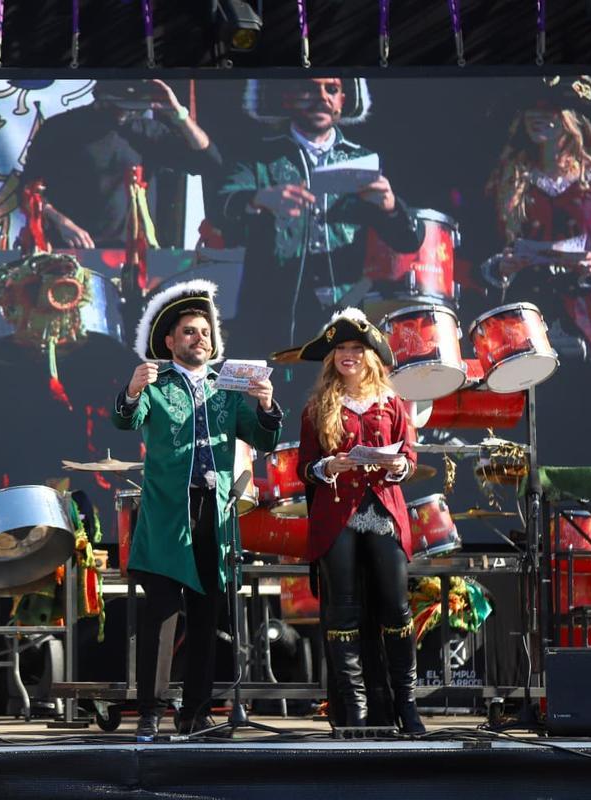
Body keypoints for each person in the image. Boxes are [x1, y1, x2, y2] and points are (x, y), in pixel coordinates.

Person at [112, 279, 283, 740]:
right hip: (170, 512)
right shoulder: (156, 381)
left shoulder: (225, 387)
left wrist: (266, 403)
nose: (199, 338)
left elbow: (262, 438)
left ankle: (197, 712)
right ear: (170, 341)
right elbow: (127, 419)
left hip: (216, 513)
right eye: (189, 331)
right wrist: (131, 391)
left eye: (204, 331)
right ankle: (150, 712)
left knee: (208, 614)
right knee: (163, 614)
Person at [217, 78, 422, 356]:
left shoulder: (363, 159)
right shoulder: (258, 155)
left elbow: (409, 241)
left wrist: (390, 206)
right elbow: (221, 207)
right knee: (269, 396)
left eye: (332, 89)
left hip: (342, 317)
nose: (322, 97)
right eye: (309, 89)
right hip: (269, 315)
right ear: (287, 97)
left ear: (342, 102)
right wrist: (259, 198)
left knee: (333, 396)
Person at [293, 307, 425, 734]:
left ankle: (406, 707)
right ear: (331, 358)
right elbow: (305, 467)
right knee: (343, 613)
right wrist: (328, 467)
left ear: (370, 355)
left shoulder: (394, 402)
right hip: (337, 516)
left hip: (383, 510)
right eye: (341, 349)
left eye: (356, 348)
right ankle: (355, 711)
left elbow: (408, 456)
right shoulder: (318, 407)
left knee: (396, 607)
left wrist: (399, 467)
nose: (348, 355)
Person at [483, 75, 591, 369]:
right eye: (531, 109)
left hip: (590, 323)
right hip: (523, 322)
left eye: (548, 109)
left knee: (589, 408)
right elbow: (478, 251)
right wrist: (500, 267)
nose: (536, 117)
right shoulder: (505, 180)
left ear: (570, 119)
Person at [21, 78, 221, 249]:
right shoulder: (61, 128)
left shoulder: (145, 131)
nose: (126, 113)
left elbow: (208, 161)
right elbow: (27, 189)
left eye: (133, 108)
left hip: (133, 254)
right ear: (101, 99)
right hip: (71, 249)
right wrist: (61, 222)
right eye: (120, 107)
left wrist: (179, 115)